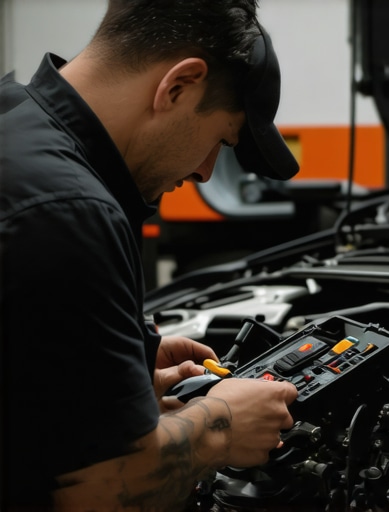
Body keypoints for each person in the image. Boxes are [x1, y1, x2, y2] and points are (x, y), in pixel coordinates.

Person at [0, 1, 300, 510]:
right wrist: (220, 426)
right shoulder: (69, 210)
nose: (206, 171)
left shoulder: (12, 118)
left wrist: (116, 376)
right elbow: (102, 494)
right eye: (221, 140)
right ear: (178, 85)